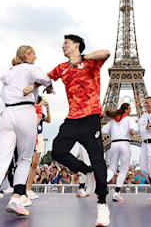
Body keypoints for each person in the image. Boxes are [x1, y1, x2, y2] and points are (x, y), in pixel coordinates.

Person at [0, 45, 53, 223]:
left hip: (7, 113)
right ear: (26, 55)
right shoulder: (30, 68)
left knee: (1, 162)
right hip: (26, 111)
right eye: (34, 53)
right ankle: (16, 198)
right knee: (24, 160)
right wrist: (35, 85)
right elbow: (47, 79)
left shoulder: (10, 71)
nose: (36, 56)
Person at [48, 35, 111, 227]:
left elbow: (107, 53)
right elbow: (47, 78)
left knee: (98, 158)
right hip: (72, 119)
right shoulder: (62, 67)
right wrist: (32, 86)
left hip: (91, 118)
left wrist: (82, 59)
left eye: (66, 44)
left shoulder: (91, 63)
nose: (63, 47)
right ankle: (86, 171)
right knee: (58, 150)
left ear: (76, 45)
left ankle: (102, 204)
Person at [102, 103, 138, 202]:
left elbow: (104, 130)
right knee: (123, 169)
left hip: (114, 144)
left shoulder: (113, 120)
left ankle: (102, 184)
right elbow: (136, 129)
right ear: (126, 110)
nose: (130, 111)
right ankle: (116, 193)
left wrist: (114, 132)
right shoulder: (129, 119)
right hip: (124, 144)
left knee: (112, 168)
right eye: (130, 109)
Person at [26, 96, 51, 200]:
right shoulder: (30, 110)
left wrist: (48, 109)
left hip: (39, 137)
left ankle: (29, 188)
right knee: (27, 163)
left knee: (35, 164)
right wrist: (39, 105)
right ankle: (24, 187)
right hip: (30, 135)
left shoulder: (40, 111)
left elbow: (48, 120)